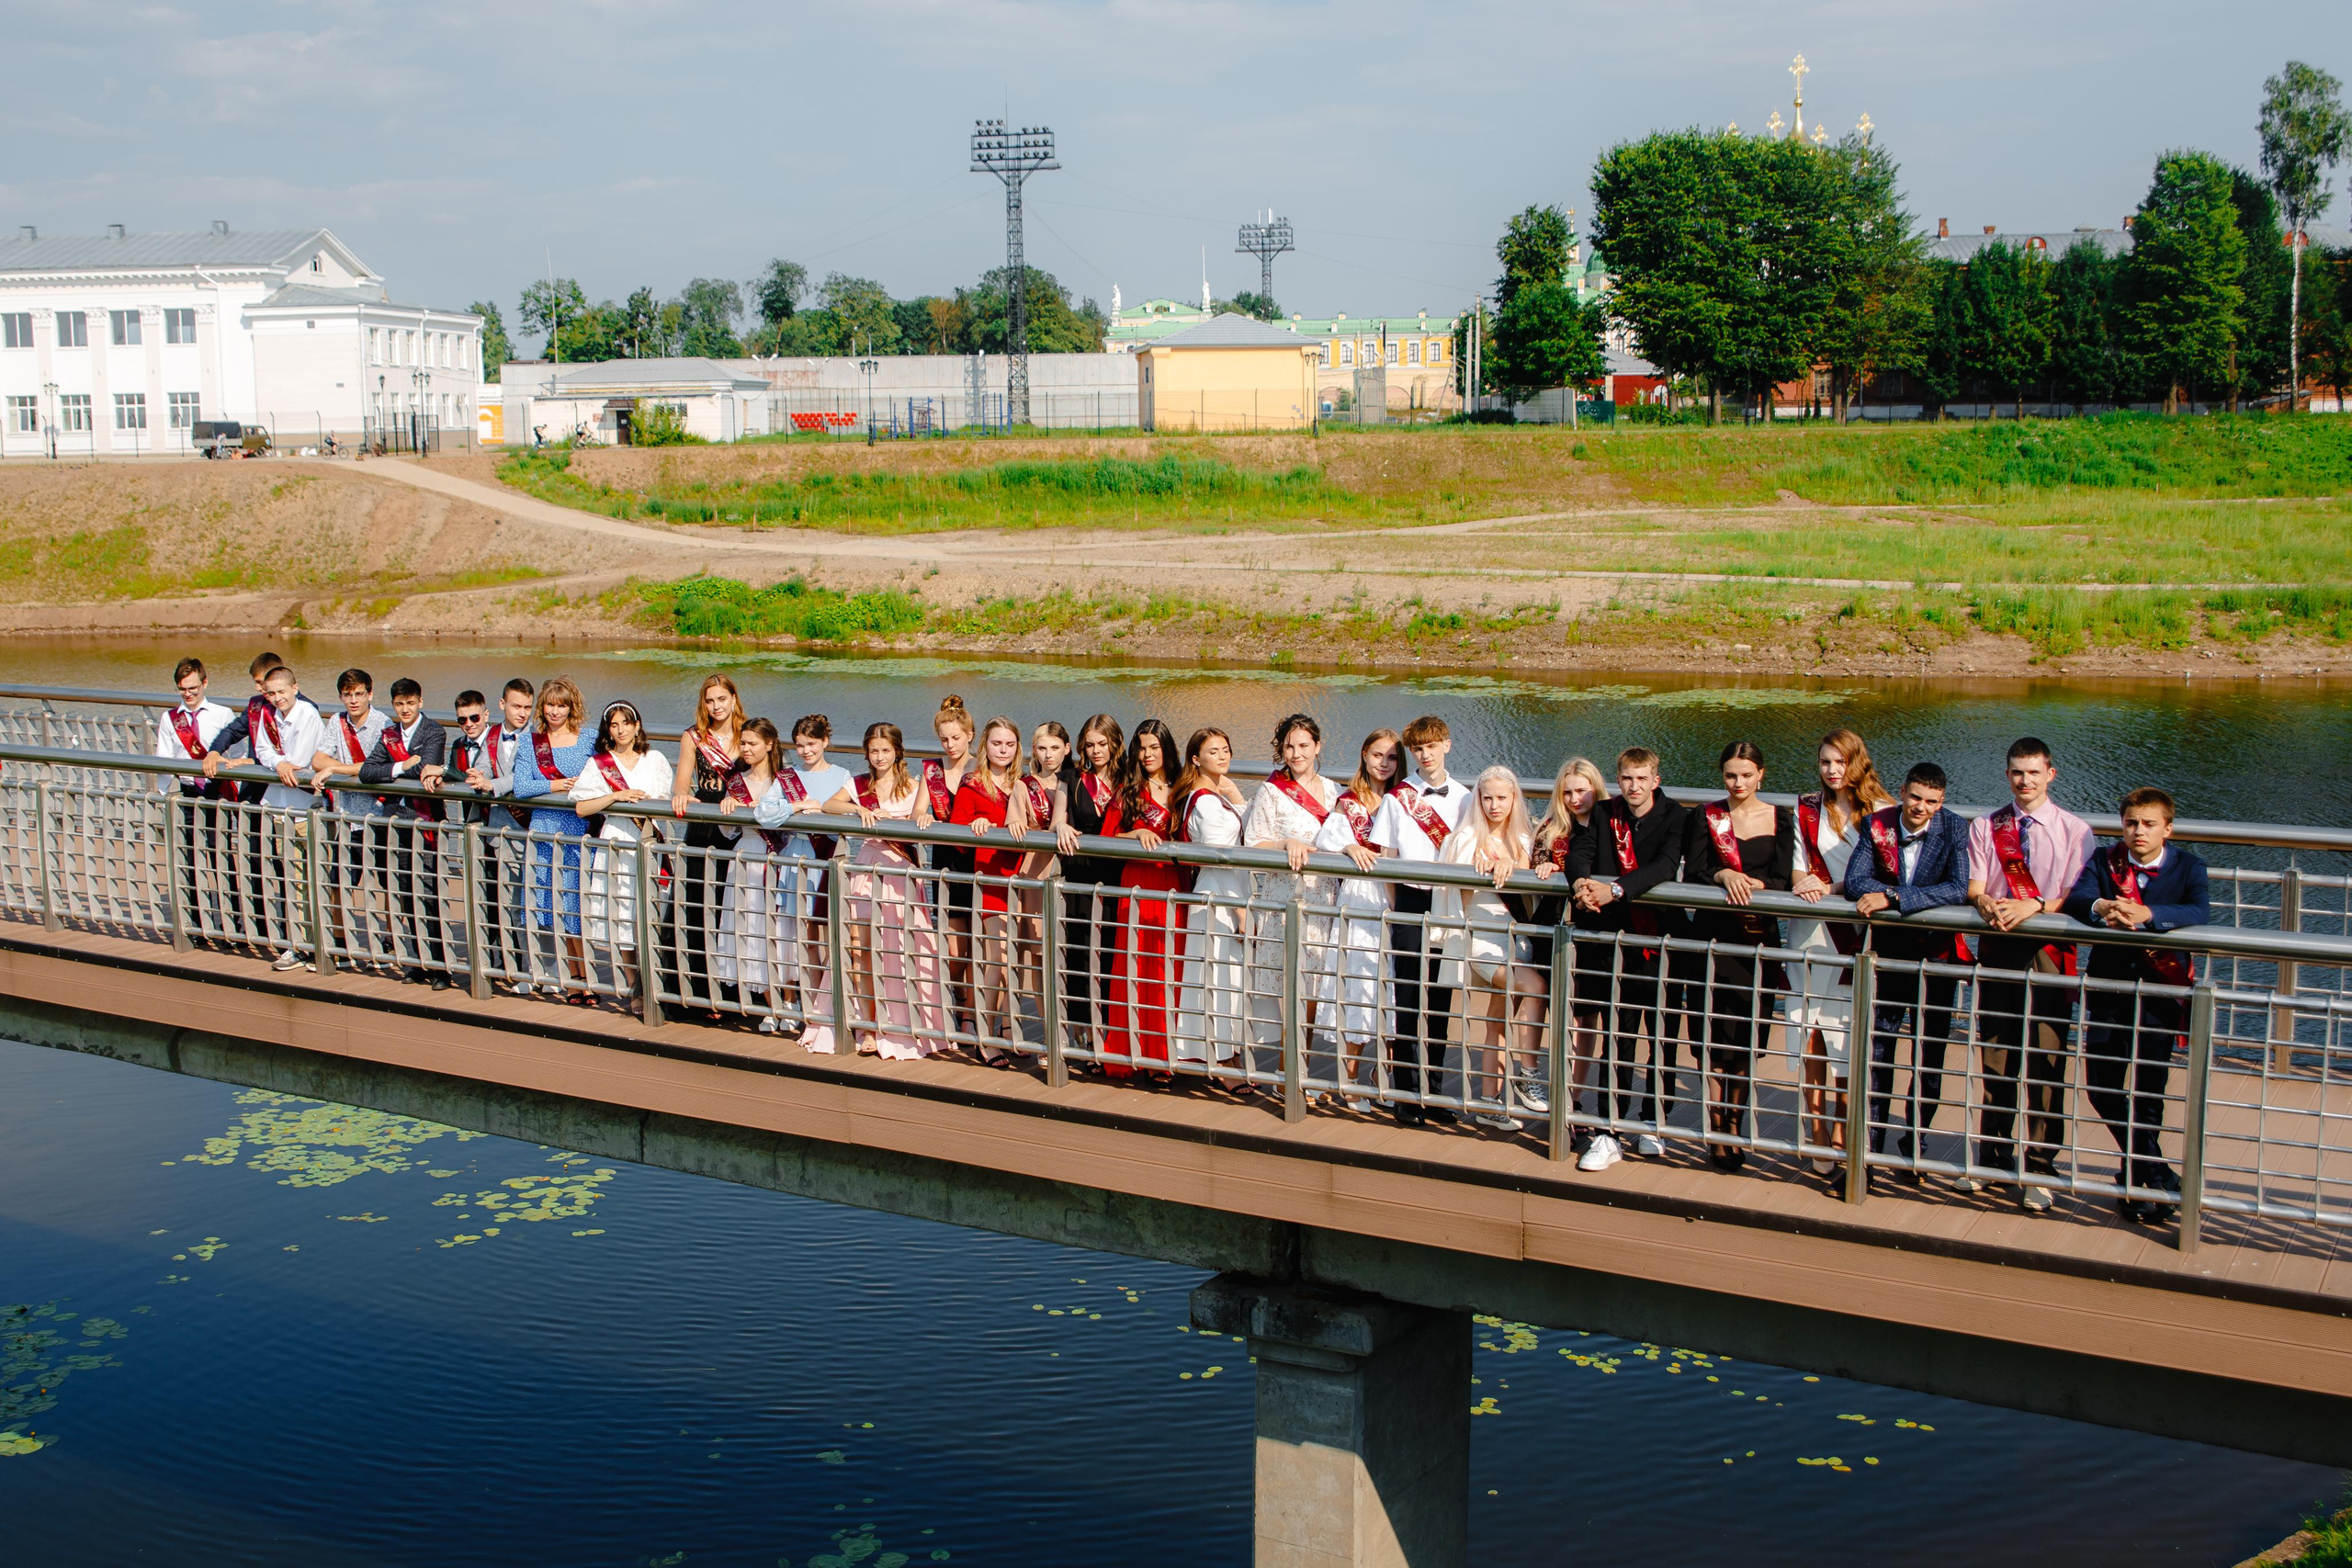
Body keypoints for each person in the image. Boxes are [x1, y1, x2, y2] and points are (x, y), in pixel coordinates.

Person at [2064, 787, 2211, 1224]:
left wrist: (2150, 915)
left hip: (2162, 992)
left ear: (2168, 827)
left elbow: (2198, 911)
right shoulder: (2105, 861)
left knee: (2149, 1090)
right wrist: (2102, 904)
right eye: (2131, 823)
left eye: (2148, 824)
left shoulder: (2189, 866)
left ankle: (2136, 1183)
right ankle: (2158, 1172)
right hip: (2110, 986)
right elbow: (2077, 898)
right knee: (2101, 1084)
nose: (2138, 831)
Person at [1964, 737, 2095, 1211]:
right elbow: (1977, 885)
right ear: (2007, 775)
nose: (2025, 780)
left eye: (2034, 772)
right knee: (1996, 1055)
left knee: (2046, 1059)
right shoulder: (1985, 826)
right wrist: (1983, 902)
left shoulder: (2076, 831)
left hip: (2048, 948)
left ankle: (2040, 1166)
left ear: (2050, 774)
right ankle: (1991, 1160)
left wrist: (2034, 905)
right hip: (1998, 942)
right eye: (2017, 772)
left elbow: (2076, 896)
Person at [1844, 761, 1972, 1183]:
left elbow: (1957, 887)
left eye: (1931, 801)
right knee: (1879, 1053)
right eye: (1915, 797)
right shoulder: (1878, 823)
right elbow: (1854, 880)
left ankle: (1913, 1144)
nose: (1921, 807)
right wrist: (1879, 893)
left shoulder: (1954, 828)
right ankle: (1870, 1152)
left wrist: (1894, 896)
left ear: (1942, 801)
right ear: (1902, 791)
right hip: (1889, 956)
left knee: (1929, 1056)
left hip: (1938, 959)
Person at [1566, 746, 1690, 1171]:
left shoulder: (1676, 815)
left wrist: (1615, 889)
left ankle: (1654, 1121)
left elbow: (1664, 866)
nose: (1634, 787)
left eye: (1642, 779)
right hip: (1613, 940)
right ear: (1618, 779)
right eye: (1627, 779)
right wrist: (1582, 882)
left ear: (1655, 779)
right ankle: (1609, 1130)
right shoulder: (1603, 812)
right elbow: (1579, 852)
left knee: (1662, 1036)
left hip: (1661, 940)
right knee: (1618, 1035)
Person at [1684, 742, 1795, 1175]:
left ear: (1761, 775)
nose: (1738, 783)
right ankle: (1716, 1133)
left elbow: (1783, 877)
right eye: (1731, 775)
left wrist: (1760, 886)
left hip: (1757, 942)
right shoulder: (1705, 816)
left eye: (1746, 775)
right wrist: (1723, 872)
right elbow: (1693, 870)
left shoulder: (1780, 818)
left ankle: (1736, 1125)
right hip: (1712, 939)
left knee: (1746, 1042)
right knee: (1711, 1041)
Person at [805, 722, 945, 1058]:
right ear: (866, 753)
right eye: (873, 751)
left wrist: (918, 821)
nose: (879, 757)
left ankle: (904, 1022)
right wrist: (860, 809)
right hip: (866, 872)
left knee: (901, 952)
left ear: (897, 750)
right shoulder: (858, 785)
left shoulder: (916, 786)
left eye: (885, 750)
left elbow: (933, 818)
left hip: (901, 875)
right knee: (860, 951)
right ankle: (869, 1024)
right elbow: (829, 806)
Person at [1786, 730, 1893, 1158]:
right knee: (1808, 1030)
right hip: (1811, 930)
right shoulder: (1807, 808)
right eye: (1825, 762)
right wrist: (1807, 883)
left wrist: (1831, 887)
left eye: (1840, 762)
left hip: (1857, 930)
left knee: (1847, 1034)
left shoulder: (1885, 811)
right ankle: (1815, 1131)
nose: (1832, 771)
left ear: (1857, 763)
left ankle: (1843, 1132)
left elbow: (1888, 876)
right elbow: (1796, 871)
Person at [1370, 716, 1474, 1128]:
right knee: (1410, 999)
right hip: (1411, 902)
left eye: (1432, 745)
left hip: (1448, 902)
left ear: (1446, 745)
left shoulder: (1467, 798)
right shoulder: (1399, 798)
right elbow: (1388, 861)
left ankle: (1433, 1091)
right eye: (1417, 748)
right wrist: (1396, 914)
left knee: (1441, 999)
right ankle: (1405, 1095)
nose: (1425, 754)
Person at [1437, 766, 1547, 1131]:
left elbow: (1534, 880)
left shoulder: (1525, 838)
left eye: (1502, 797)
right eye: (1487, 797)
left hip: (1521, 938)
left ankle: (1488, 1103)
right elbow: (1455, 895)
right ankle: (1529, 1074)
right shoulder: (1467, 838)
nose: (1494, 805)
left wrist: (1510, 862)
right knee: (1534, 987)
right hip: (1483, 941)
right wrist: (1475, 869)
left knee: (1497, 1021)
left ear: (1514, 798)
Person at [1243, 714, 1347, 1090]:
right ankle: (1292, 1071)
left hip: (1325, 897)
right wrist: (1286, 844)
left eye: (1304, 745)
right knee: (1293, 984)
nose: (1296, 753)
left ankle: (1299, 1064)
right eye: (1289, 746)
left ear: (1318, 746)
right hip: (1286, 896)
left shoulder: (1337, 793)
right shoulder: (1271, 792)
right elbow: (1253, 842)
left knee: (1316, 985)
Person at [200, 649, 315, 947]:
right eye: (260, 686)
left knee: (290, 868)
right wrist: (215, 751)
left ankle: (299, 934)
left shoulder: (305, 709)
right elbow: (235, 732)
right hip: (258, 793)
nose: (259, 690)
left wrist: (256, 762)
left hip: (293, 798)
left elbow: (298, 757)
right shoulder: (255, 706)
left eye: (261, 683)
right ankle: (256, 926)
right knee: (253, 858)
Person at [570, 698, 673, 1017]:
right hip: (616, 842)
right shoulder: (599, 763)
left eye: (626, 723)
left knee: (651, 915)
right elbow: (581, 807)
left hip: (648, 843)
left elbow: (666, 799)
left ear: (637, 725)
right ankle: (635, 986)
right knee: (624, 915)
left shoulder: (654, 759)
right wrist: (615, 796)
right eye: (614, 725)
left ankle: (658, 983)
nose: (620, 730)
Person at [1531, 757, 1612, 1143]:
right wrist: (1546, 867)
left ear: (1596, 788)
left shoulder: (1613, 824)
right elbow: (1538, 859)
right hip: (1556, 929)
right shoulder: (1550, 828)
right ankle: (1557, 1092)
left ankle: (1574, 1099)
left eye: (1582, 790)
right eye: (1567, 791)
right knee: (1561, 1014)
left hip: (1597, 928)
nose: (1575, 798)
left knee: (1587, 1016)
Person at [755, 715, 853, 1030]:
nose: (805, 751)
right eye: (799, 745)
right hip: (796, 857)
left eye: (811, 744)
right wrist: (797, 808)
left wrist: (823, 810)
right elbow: (764, 812)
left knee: (826, 934)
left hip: (828, 858)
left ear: (825, 741)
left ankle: (831, 1001)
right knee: (801, 934)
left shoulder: (843, 775)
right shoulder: (787, 777)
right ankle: (806, 1001)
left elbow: (849, 814)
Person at [1317, 730, 1398, 1098]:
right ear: (1364, 755)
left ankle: (1385, 1074)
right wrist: (1350, 845)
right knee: (1361, 980)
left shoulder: (1404, 799)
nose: (1384, 763)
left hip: (1400, 892)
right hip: (1363, 896)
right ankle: (1350, 1079)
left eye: (1392, 758)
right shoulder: (1347, 801)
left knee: (1394, 985)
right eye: (1377, 755)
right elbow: (1326, 839)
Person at [951, 715, 1036, 1063]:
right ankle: (986, 1036)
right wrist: (977, 824)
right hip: (991, 880)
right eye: (996, 743)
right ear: (985, 745)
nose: (1003, 749)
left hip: (1024, 879)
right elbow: (955, 836)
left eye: (1010, 744)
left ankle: (1004, 1029)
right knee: (997, 960)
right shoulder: (973, 784)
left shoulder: (1025, 784)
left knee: (1014, 961)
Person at [1102, 718, 1184, 1079]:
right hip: (1137, 884)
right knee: (1137, 967)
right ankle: (1132, 1051)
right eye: (1142, 747)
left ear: (1167, 748)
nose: (1148, 754)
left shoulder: (1185, 788)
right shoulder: (1128, 790)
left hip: (1175, 886)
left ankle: (1166, 1055)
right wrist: (1134, 832)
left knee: (1169, 968)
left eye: (1155, 746)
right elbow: (1105, 840)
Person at [356, 677, 448, 987]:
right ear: (393, 705)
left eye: (410, 703)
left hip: (423, 823)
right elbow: (368, 772)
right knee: (402, 894)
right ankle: (416, 962)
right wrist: (401, 766)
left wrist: (405, 766)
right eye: (399, 704)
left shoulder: (434, 731)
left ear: (420, 702)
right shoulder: (389, 734)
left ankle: (439, 967)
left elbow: (427, 767)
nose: (405, 709)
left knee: (428, 895)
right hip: (394, 823)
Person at [1176, 727, 1252, 1081]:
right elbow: (1220, 855)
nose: (1222, 756)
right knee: (1217, 973)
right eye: (1212, 752)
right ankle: (1217, 1058)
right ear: (1196, 759)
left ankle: (1229, 1051)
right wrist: (1239, 910)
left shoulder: (1213, 794)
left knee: (1229, 974)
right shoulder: (1203, 800)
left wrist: (1235, 792)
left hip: (1228, 889)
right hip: (1218, 894)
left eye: (1225, 750)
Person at [514, 676, 596, 1002]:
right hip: (544, 831)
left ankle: (587, 977)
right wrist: (556, 785)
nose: (554, 711)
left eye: (561, 704)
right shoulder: (530, 743)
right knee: (553, 907)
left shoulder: (588, 739)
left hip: (577, 831)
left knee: (576, 909)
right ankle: (573, 979)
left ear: (571, 707)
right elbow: (521, 787)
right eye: (549, 704)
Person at [670, 674, 745, 1014]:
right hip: (704, 826)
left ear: (733, 698)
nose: (716, 706)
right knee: (699, 902)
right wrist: (684, 797)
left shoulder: (749, 733)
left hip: (740, 826)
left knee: (734, 906)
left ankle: (739, 989)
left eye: (721, 699)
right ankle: (700, 987)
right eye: (710, 701)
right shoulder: (693, 737)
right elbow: (681, 785)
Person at [1053, 715, 1125, 1061]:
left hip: (1115, 875)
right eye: (1090, 744)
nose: (1096, 751)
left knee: (1111, 952)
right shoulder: (1073, 777)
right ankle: (1081, 1033)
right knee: (1080, 949)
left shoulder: (1128, 779)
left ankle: (1109, 1033)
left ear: (1115, 742)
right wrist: (1061, 828)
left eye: (1102, 743)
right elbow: (1058, 816)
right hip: (1079, 874)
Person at [716, 717, 794, 1032]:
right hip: (746, 856)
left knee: (780, 928)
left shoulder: (786, 780)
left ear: (770, 744)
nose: (746, 749)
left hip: (777, 857)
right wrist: (729, 807)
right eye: (743, 743)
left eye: (753, 743)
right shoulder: (736, 781)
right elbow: (727, 831)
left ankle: (790, 1002)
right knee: (752, 927)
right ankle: (770, 1005)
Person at [307, 668, 389, 968]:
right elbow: (317, 760)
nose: (353, 700)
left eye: (358, 694)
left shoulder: (383, 723)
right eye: (347, 695)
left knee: (383, 882)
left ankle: (386, 942)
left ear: (370, 694)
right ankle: (341, 944)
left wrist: (336, 769)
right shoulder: (336, 722)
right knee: (340, 881)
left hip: (378, 814)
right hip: (346, 817)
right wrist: (345, 767)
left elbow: (376, 766)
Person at [248, 665, 325, 973]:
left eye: (282, 692)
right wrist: (278, 763)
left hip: (306, 807)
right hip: (280, 808)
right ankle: (301, 945)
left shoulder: (307, 714)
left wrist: (283, 764)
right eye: (272, 693)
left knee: (313, 879)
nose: (278, 698)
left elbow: (302, 760)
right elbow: (262, 750)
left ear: (295, 688)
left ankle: (317, 946)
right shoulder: (268, 715)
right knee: (293, 880)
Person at [154, 658, 237, 943]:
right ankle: (197, 925)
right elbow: (164, 760)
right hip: (189, 795)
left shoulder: (223, 714)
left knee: (223, 860)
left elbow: (237, 756)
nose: (188, 694)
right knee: (189, 861)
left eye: (192, 688)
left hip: (220, 793)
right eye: (182, 690)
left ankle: (233, 925)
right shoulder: (170, 719)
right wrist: (163, 799)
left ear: (204, 683)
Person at [464, 678, 537, 994]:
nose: (523, 714)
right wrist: (478, 775)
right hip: (500, 831)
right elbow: (481, 766)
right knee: (509, 905)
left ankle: (540, 969)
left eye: (528, 708)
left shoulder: (538, 736)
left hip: (532, 827)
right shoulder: (492, 735)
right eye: (517, 706)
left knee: (536, 904)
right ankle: (518, 970)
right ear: (502, 705)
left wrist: (492, 785)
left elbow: (525, 777)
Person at [924, 695, 979, 1038]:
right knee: (955, 948)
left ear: (970, 735)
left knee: (982, 943)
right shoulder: (933, 772)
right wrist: (923, 816)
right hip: (947, 862)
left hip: (978, 860)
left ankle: (973, 1015)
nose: (950, 744)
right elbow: (919, 811)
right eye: (944, 739)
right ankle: (960, 997)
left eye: (956, 738)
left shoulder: (983, 768)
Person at [1013, 722, 1073, 1008]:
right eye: (1041, 748)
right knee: (1040, 954)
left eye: (1055, 748)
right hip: (1037, 871)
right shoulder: (1024, 786)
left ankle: (1078, 1029)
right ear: (1033, 751)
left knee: (1070, 949)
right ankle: (1047, 1029)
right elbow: (1015, 825)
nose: (1048, 755)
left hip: (1072, 868)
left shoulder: (1077, 780)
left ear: (1067, 748)